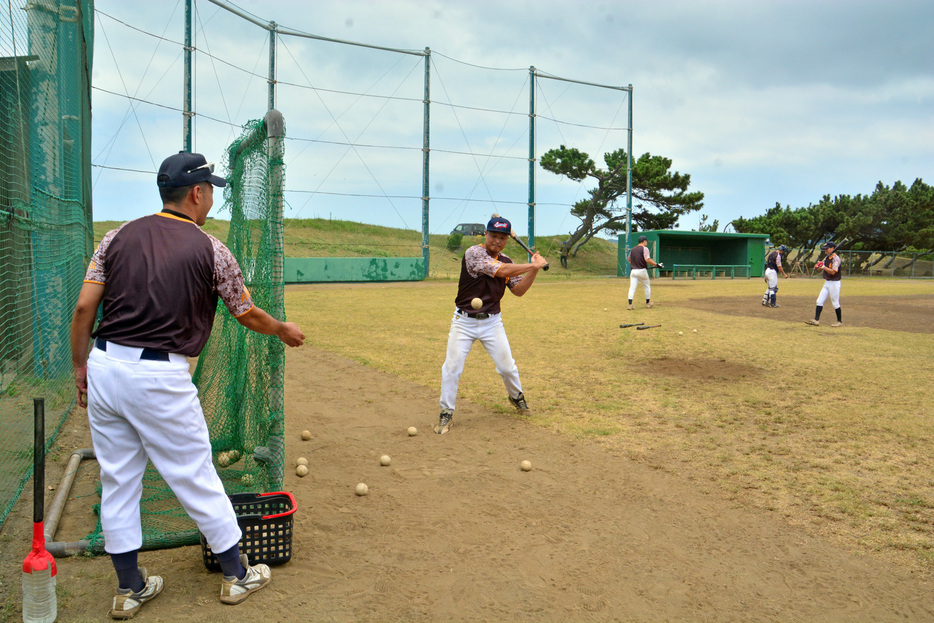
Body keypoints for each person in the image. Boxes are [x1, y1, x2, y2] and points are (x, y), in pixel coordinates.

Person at [70, 151, 306, 619]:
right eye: (210, 188)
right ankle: (237, 575)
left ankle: (129, 587)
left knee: (118, 479)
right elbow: (246, 312)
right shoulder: (210, 248)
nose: (212, 196)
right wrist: (280, 328)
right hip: (158, 377)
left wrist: (81, 368)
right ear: (196, 193)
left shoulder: (116, 236)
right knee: (195, 475)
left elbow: (83, 309)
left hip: (104, 367)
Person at [437, 216, 548, 434]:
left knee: (508, 367)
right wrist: (532, 264)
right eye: (493, 236)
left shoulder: (507, 260)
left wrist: (534, 270)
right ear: (485, 235)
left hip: (492, 322)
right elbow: (501, 271)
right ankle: (446, 412)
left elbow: (518, 291)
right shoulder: (473, 253)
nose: (497, 240)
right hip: (464, 321)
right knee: (452, 367)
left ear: (507, 239)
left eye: (502, 237)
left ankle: (517, 397)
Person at [805, 241, 843, 327]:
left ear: (832, 248)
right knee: (819, 301)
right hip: (827, 282)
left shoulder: (836, 259)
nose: (825, 250)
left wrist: (823, 267)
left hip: (834, 283)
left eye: (827, 249)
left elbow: (833, 272)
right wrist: (819, 267)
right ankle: (816, 320)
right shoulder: (827, 258)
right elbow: (821, 269)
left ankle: (839, 321)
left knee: (835, 303)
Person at [626, 235, 663, 310]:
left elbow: (629, 259)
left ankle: (630, 304)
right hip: (642, 271)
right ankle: (648, 303)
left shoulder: (632, 249)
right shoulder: (645, 248)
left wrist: (635, 264)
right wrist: (656, 264)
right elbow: (647, 259)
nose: (646, 243)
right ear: (644, 241)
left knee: (632, 288)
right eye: (646, 242)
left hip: (633, 271)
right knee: (647, 286)